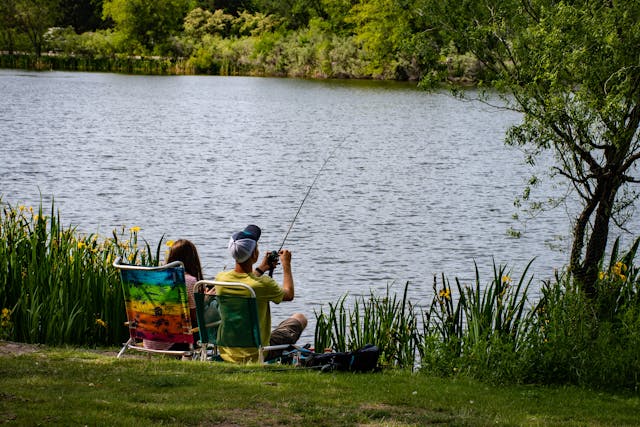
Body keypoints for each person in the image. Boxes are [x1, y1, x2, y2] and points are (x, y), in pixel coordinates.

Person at [215, 224, 307, 363]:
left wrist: (262, 268)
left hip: (227, 351)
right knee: (299, 318)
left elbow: (246, 281)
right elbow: (289, 294)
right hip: (256, 353)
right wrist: (286, 264)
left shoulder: (221, 279)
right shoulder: (263, 284)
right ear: (254, 254)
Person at [143, 239, 204, 351]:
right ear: (193, 260)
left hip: (150, 340)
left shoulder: (156, 279)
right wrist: (206, 300)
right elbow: (196, 317)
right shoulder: (189, 281)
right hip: (173, 342)